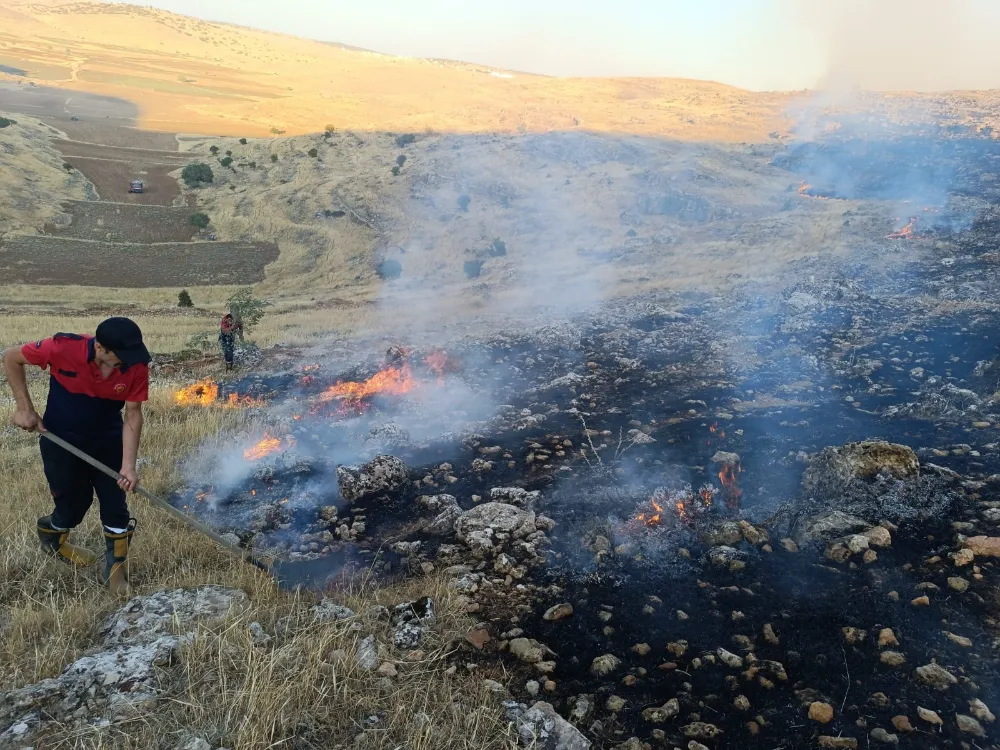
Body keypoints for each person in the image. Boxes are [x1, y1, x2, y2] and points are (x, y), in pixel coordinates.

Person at [2, 317, 150, 595]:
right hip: (61, 440)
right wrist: (24, 407)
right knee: (73, 506)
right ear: (101, 348)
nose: (130, 362)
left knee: (115, 505)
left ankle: (115, 571)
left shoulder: (135, 366)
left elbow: (133, 414)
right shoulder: (62, 348)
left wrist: (128, 467)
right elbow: (10, 358)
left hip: (108, 440)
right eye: (122, 356)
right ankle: (53, 535)